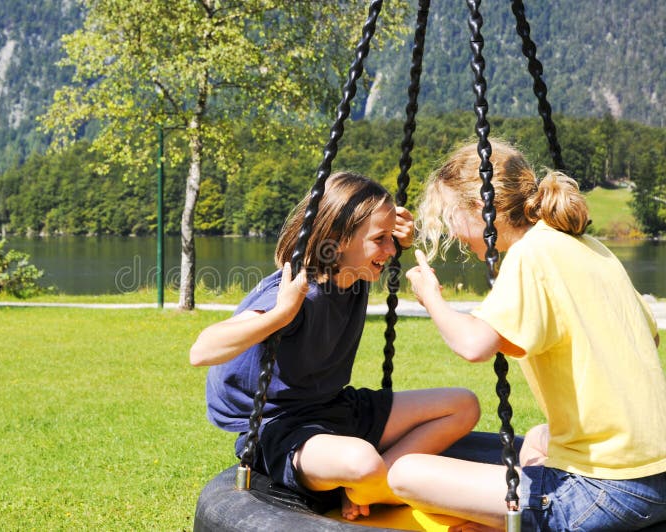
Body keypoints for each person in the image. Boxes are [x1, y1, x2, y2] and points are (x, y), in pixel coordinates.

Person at [392, 141, 666, 531]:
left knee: (407, 472)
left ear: (480, 208)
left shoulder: (528, 255)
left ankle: (522, 522)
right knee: (538, 438)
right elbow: (648, 338)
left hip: (606, 492)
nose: (453, 232)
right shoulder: (588, 246)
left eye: (451, 216)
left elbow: (473, 345)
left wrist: (431, 296)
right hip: (656, 475)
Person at [190, 171, 481, 521]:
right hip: (282, 428)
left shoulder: (354, 271)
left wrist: (396, 232)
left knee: (463, 405)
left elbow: (375, 228)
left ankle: (366, 490)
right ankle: (369, 481)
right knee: (362, 460)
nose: (390, 250)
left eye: (392, 239)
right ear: (339, 240)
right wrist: (280, 314)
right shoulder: (298, 290)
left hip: (335, 407)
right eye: (380, 240)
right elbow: (202, 350)